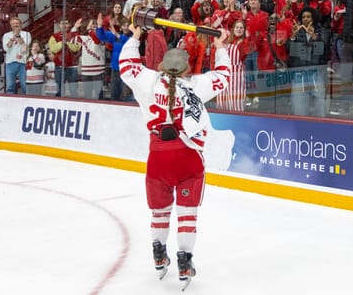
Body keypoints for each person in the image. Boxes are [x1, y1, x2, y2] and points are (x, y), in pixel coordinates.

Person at [119, 22, 230, 287]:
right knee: (187, 213)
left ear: (161, 66)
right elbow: (224, 75)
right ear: (187, 68)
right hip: (188, 157)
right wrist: (220, 47)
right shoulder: (197, 86)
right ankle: (184, 260)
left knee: (160, 212)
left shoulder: (147, 81)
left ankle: (159, 255)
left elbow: (126, 66)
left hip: (158, 159)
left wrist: (136, 36)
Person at [216, 20, 249, 111]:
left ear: (244, 30)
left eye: (241, 28)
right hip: (225, 74)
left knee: (236, 100)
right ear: (233, 29)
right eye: (237, 27)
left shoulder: (245, 42)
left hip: (237, 76)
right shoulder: (228, 42)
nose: (239, 29)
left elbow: (244, 54)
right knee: (222, 99)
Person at [48, 19, 81, 98]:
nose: (64, 25)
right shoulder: (54, 36)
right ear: (59, 25)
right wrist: (63, 42)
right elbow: (53, 49)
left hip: (72, 67)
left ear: (69, 25)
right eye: (62, 23)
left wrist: (67, 42)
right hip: (59, 67)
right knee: (59, 90)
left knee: (73, 91)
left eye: (66, 23)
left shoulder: (75, 35)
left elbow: (76, 48)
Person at [77, 18, 106, 100]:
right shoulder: (83, 38)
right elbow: (72, 39)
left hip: (98, 71)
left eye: (95, 25)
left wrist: (89, 30)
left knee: (99, 95)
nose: (93, 26)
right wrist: (75, 28)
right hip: (86, 72)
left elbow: (96, 40)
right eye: (91, 25)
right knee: (87, 96)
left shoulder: (102, 37)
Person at [3, 18, 32, 95]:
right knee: (10, 86)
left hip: (22, 62)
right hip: (10, 62)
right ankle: (10, 101)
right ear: (11, 25)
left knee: (24, 84)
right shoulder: (6, 35)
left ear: (20, 24)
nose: (15, 25)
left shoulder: (26, 34)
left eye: (17, 23)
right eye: (13, 23)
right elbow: (6, 48)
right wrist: (13, 37)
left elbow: (25, 45)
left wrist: (18, 35)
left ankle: (26, 100)